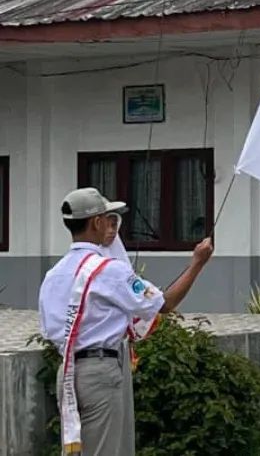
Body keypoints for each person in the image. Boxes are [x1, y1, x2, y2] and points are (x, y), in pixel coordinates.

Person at [39, 187, 215, 456]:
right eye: (107, 219)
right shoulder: (108, 270)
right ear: (96, 222)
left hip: (68, 371)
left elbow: (50, 329)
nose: (111, 227)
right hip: (101, 370)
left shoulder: (54, 274)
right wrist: (197, 264)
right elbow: (164, 304)